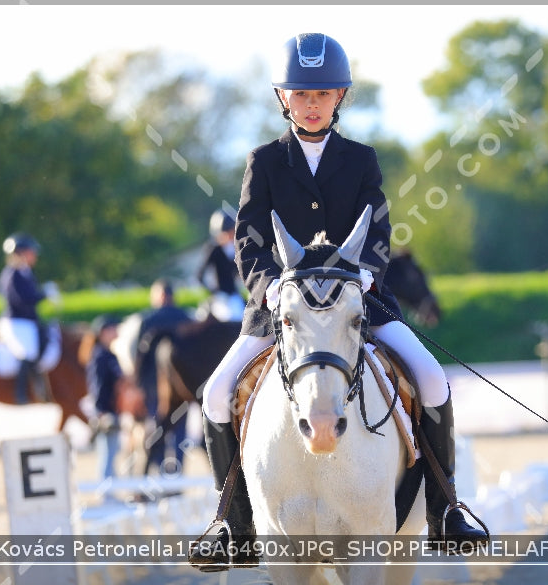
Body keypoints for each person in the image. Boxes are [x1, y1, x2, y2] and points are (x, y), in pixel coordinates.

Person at [189, 33, 489, 571]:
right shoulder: (263, 162)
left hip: (359, 304)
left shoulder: (361, 160)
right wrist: (271, 286)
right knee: (215, 394)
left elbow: (378, 232)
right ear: (283, 97)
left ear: (339, 97)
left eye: (322, 93)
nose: (311, 103)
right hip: (284, 309)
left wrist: (367, 276)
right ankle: (232, 524)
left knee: (432, 377)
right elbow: (250, 240)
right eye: (301, 94)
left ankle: (446, 511)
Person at [135, 279, 194, 474]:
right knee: (180, 433)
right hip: (182, 387)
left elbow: (139, 356)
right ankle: (176, 476)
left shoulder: (148, 320)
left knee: (158, 429)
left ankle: (159, 475)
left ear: (159, 296)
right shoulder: (186, 317)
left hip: (154, 387)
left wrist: (139, 384)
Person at [0, 233, 60, 404]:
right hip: (16, 323)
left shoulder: (26, 272)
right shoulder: (12, 274)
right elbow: (22, 299)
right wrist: (44, 294)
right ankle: (21, 394)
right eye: (31, 252)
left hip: (27, 323)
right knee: (28, 352)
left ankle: (42, 389)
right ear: (21, 253)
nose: (35, 256)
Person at [86, 313, 126, 481]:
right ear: (103, 332)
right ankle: (106, 491)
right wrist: (100, 410)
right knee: (107, 453)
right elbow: (97, 386)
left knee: (113, 450)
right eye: (112, 328)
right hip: (105, 410)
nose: (116, 331)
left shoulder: (108, 354)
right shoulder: (100, 355)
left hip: (112, 409)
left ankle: (110, 489)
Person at [196, 209, 246, 322]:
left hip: (234, 294)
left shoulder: (236, 249)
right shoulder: (213, 249)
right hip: (220, 297)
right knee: (231, 317)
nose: (231, 235)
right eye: (229, 232)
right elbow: (199, 275)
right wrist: (214, 292)